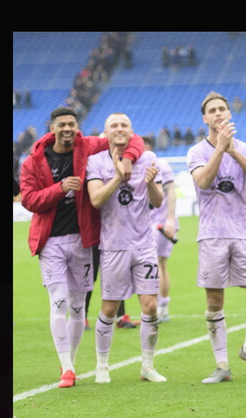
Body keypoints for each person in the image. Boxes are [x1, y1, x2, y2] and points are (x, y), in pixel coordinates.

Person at [19, 107, 144, 388]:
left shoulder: (87, 146)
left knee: (77, 307)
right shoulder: (33, 161)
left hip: (82, 240)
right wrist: (60, 188)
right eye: (61, 124)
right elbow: (28, 200)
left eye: (71, 124)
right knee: (59, 301)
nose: (67, 129)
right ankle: (66, 368)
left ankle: (71, 363)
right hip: (50, 242)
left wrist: (127, 158)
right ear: (52, 127)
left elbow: (131, 139)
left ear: (77, 127)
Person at [187, 91, 246, 384]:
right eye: (212, 110)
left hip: (243, 234)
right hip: (212, 235)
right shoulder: (196, 152)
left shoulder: (245, 147)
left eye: (222, 108)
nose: (218, 113)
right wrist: (219, 150)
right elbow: (203, 181)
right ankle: (222, 365)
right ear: (205, 118)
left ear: (229, 113)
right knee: (214, 301)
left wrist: (232, 151)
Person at [86, 113, 167, 384]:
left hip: (144, 245)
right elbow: (96, 200)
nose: (119, 129)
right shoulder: (96, 161)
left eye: (124, 125)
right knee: (109, 309)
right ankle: (102, 366)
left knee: (151, 307)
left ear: (132, 132)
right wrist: (117, 177)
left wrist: (150, 183)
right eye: (114, 125)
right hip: (113, 247)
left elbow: (157, 201)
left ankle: (147, 366)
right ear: (106, 133)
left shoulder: (148, 158)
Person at [144, 137, 178, 322]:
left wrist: (170, 219)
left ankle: (161, 305)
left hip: (161, 223)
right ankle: (156, 304)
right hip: (146, 223)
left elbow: (171, 191)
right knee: (151, 264)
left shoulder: (162, 165)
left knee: (159, 263)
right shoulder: (137, 165)